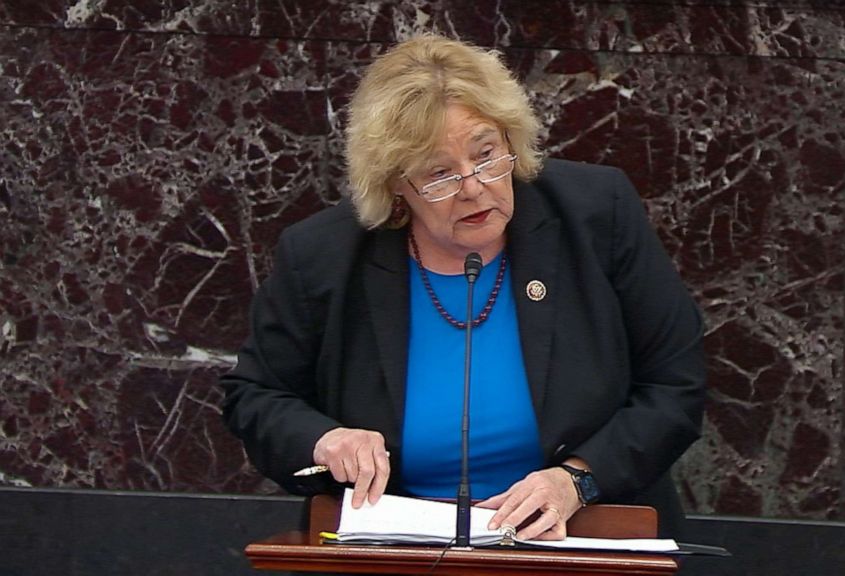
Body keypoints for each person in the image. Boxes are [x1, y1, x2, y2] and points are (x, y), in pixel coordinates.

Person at [221, 34, 706, 541]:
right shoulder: (323, 255)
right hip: (395, 549)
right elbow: (256, 394)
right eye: (439, 173)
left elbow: (676, 381)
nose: (473, 186)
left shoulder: (596, 213)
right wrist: (324, 440)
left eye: (487, 153)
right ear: (395, 185)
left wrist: (578, 479)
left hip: (580, 539)